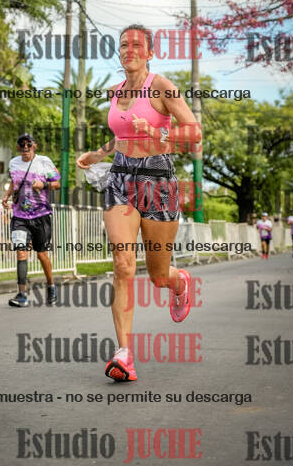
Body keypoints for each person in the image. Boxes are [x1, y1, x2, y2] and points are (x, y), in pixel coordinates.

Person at [77, 24, 201, 381]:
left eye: (136, 45)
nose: (128, 50)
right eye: (123, 45)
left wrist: (158, 132)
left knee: (158, 275)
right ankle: (124, 354)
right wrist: (98, 153)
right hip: (120, 179)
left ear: (149, 52)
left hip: (158, 180)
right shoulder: (115, 92)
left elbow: (194, 133)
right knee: (123, 265)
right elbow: (122, 135)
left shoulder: (161, 86)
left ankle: (178, 282)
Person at [2, 133, 61, 306]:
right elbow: (14, 182)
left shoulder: (44, 162)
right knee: (21, 252)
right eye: (22, 146)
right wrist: (7, 196)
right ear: (18, 148)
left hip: (41, 215)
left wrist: (43, 185)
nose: (26, 149)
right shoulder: (13, 163)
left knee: (42, 254)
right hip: (19, 216)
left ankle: (51, 285)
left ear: (34, 146)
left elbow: (57, 184)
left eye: (29, 145)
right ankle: (22, 295)